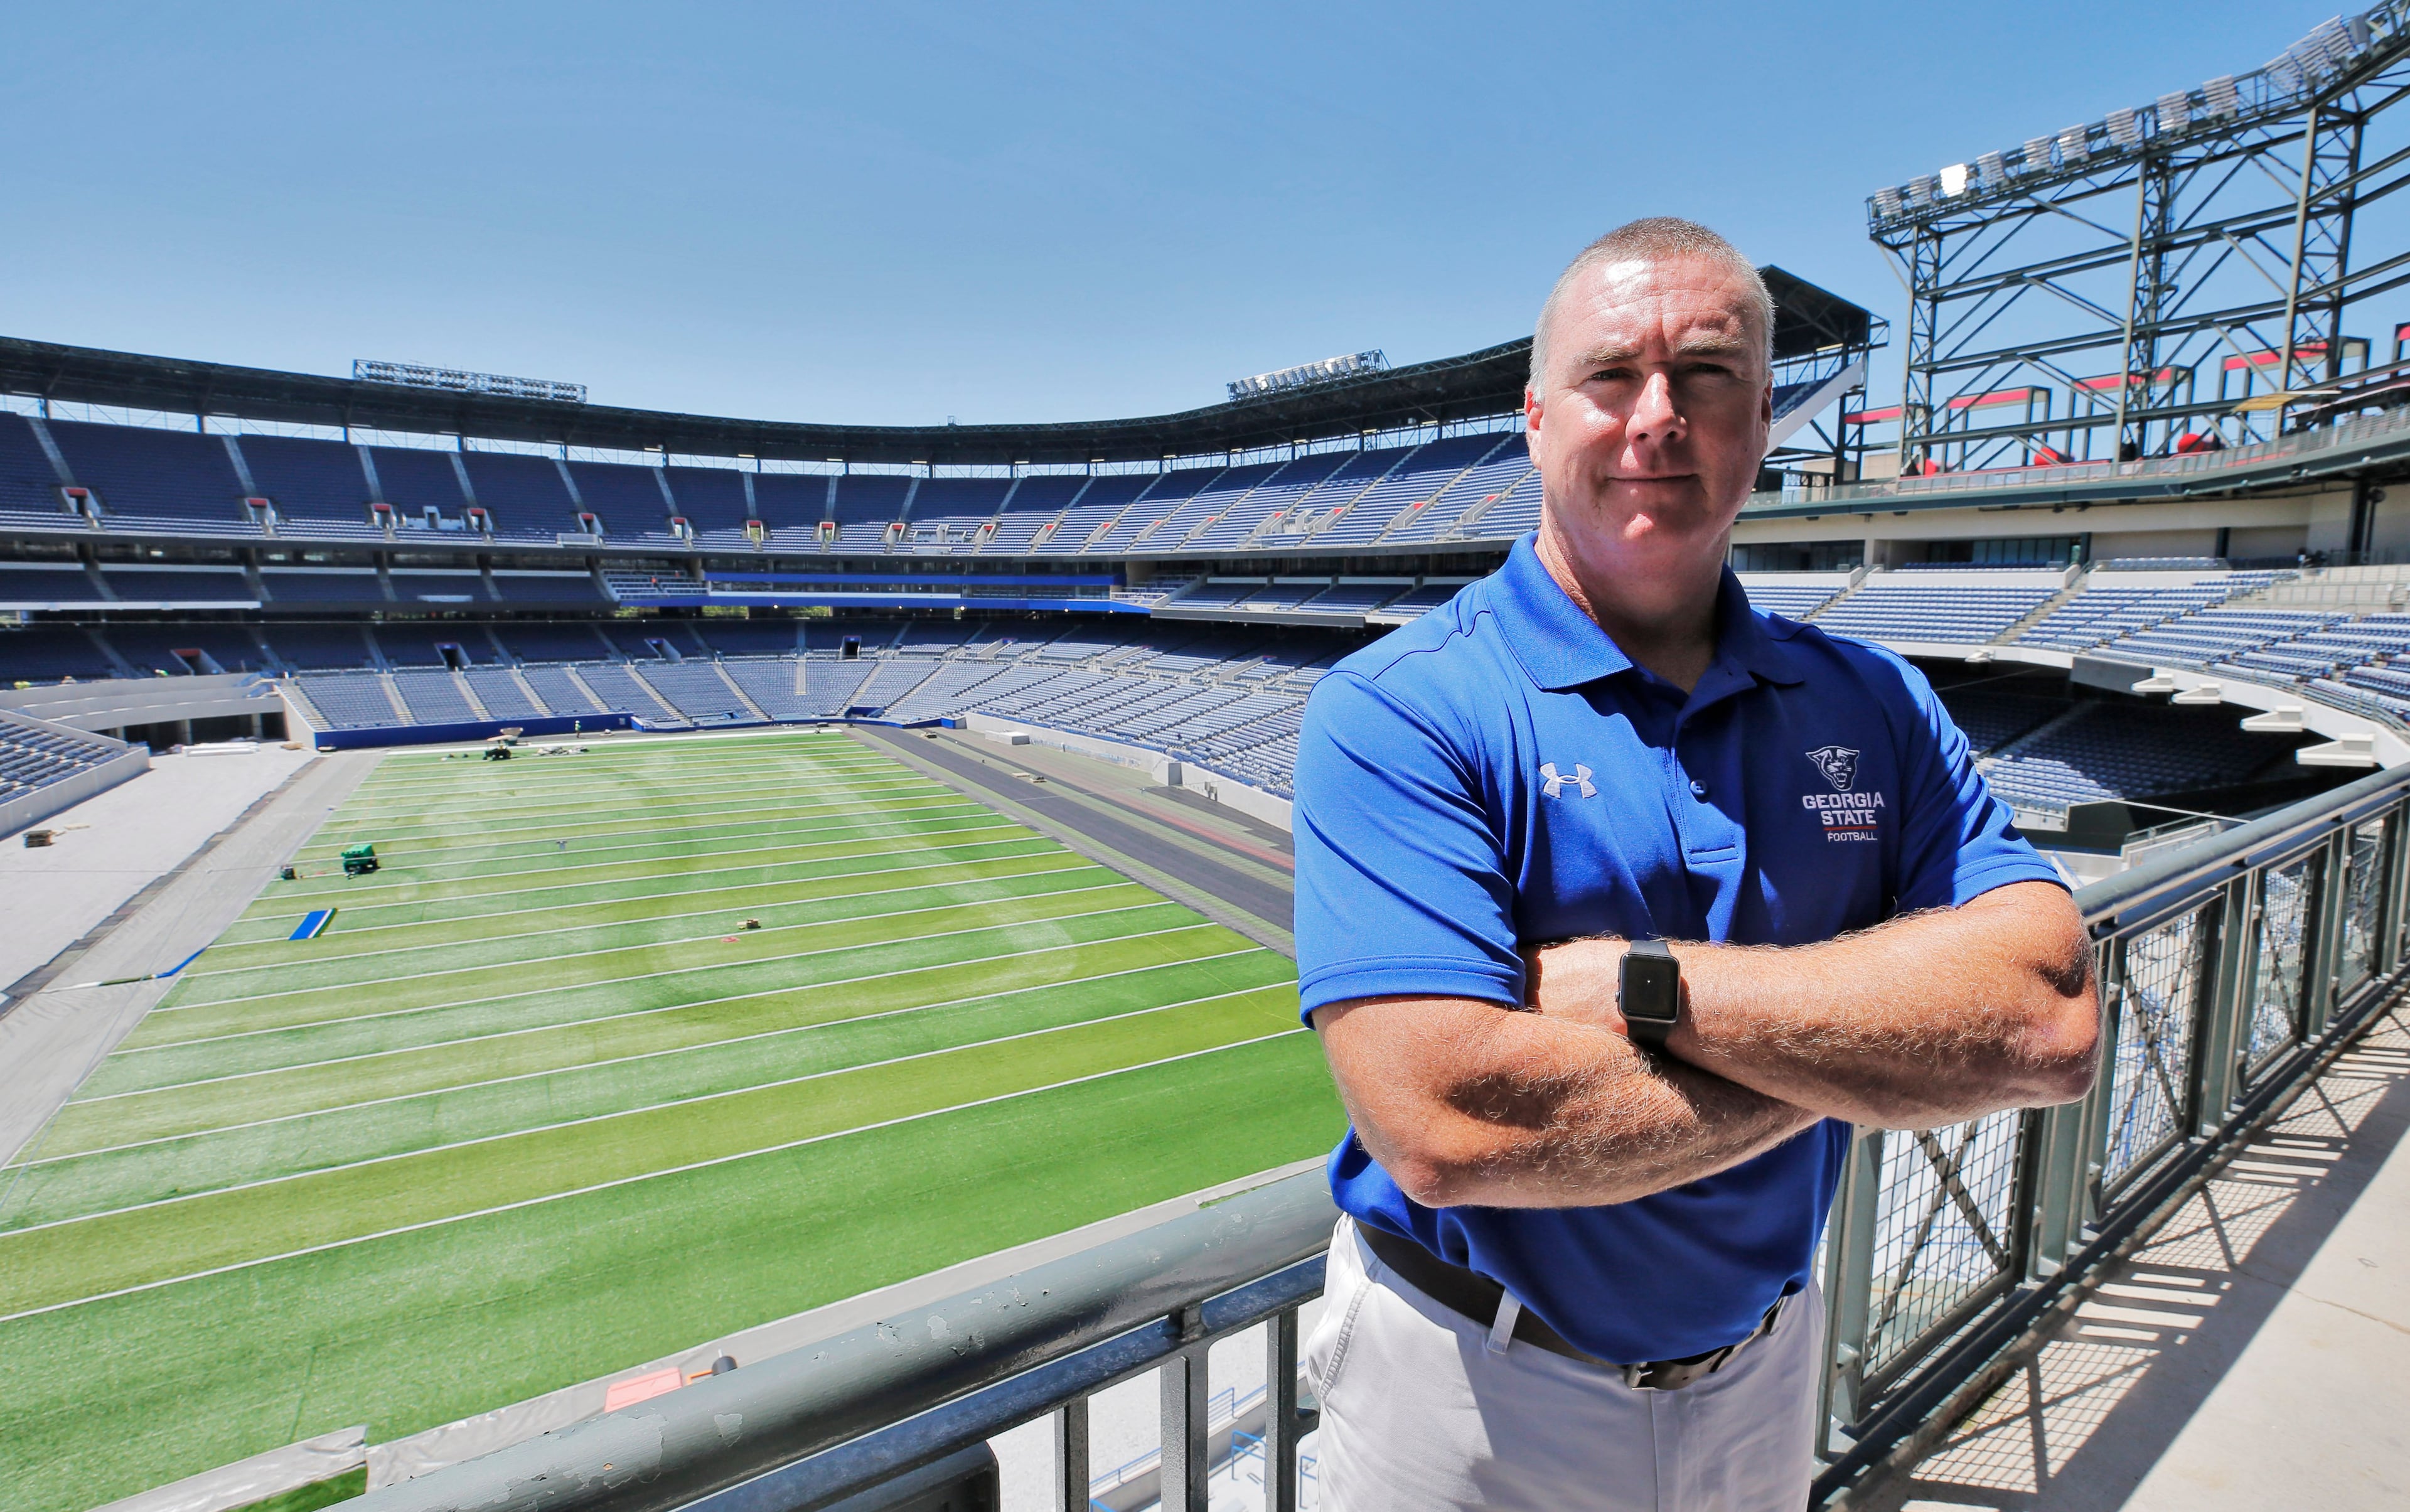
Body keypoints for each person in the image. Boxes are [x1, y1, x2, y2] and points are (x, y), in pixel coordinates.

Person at [1292, 218, 2102, 1512]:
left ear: (1765, 414)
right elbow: (1452, 1121)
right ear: (1537, 415)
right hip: (1467, 1394)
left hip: (1767, 1381)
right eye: (1612, 374)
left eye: (1708, 375)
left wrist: (1647, 989)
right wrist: (1883, 1059)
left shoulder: (1874, 698)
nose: (1657, 417)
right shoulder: (1403, 705)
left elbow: (2049, 1017)